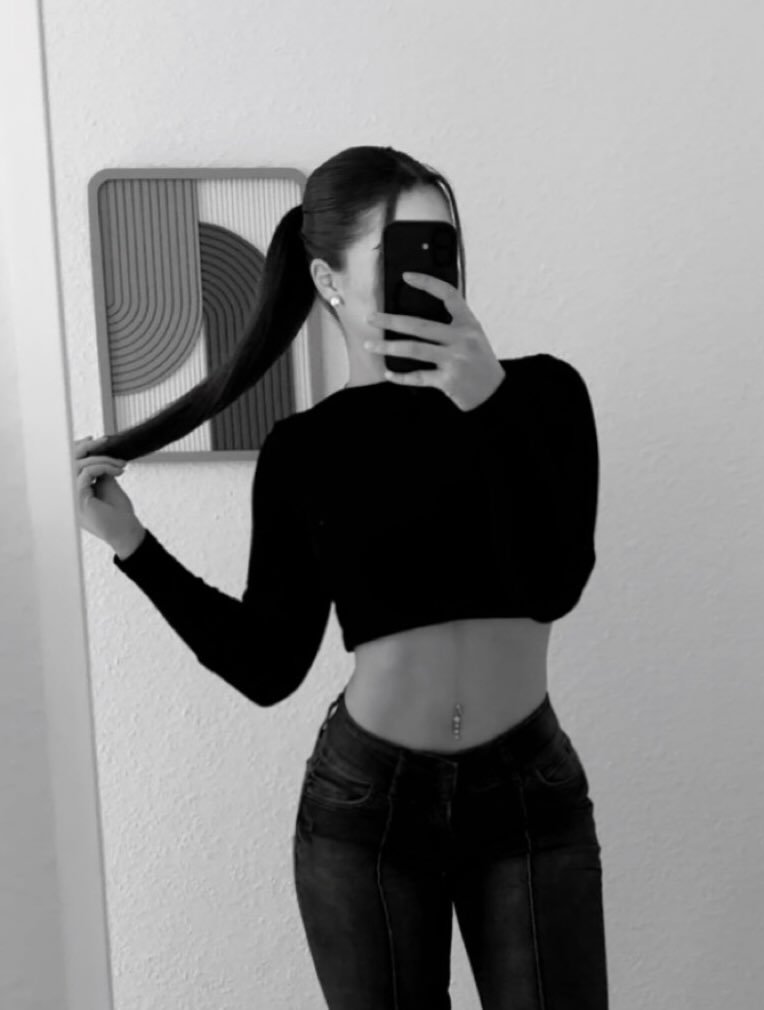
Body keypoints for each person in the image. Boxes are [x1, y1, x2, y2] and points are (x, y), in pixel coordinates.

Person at [74, 145, 607, 1009]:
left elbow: (555, 584)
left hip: (527, 799)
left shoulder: (544, 398)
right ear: (328, 280)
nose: (434, 279)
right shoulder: (306, 451)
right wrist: (135, 546)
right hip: (367, 810)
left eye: (444, 250)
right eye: (404, 255)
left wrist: (490, 407)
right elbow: (268, 665)